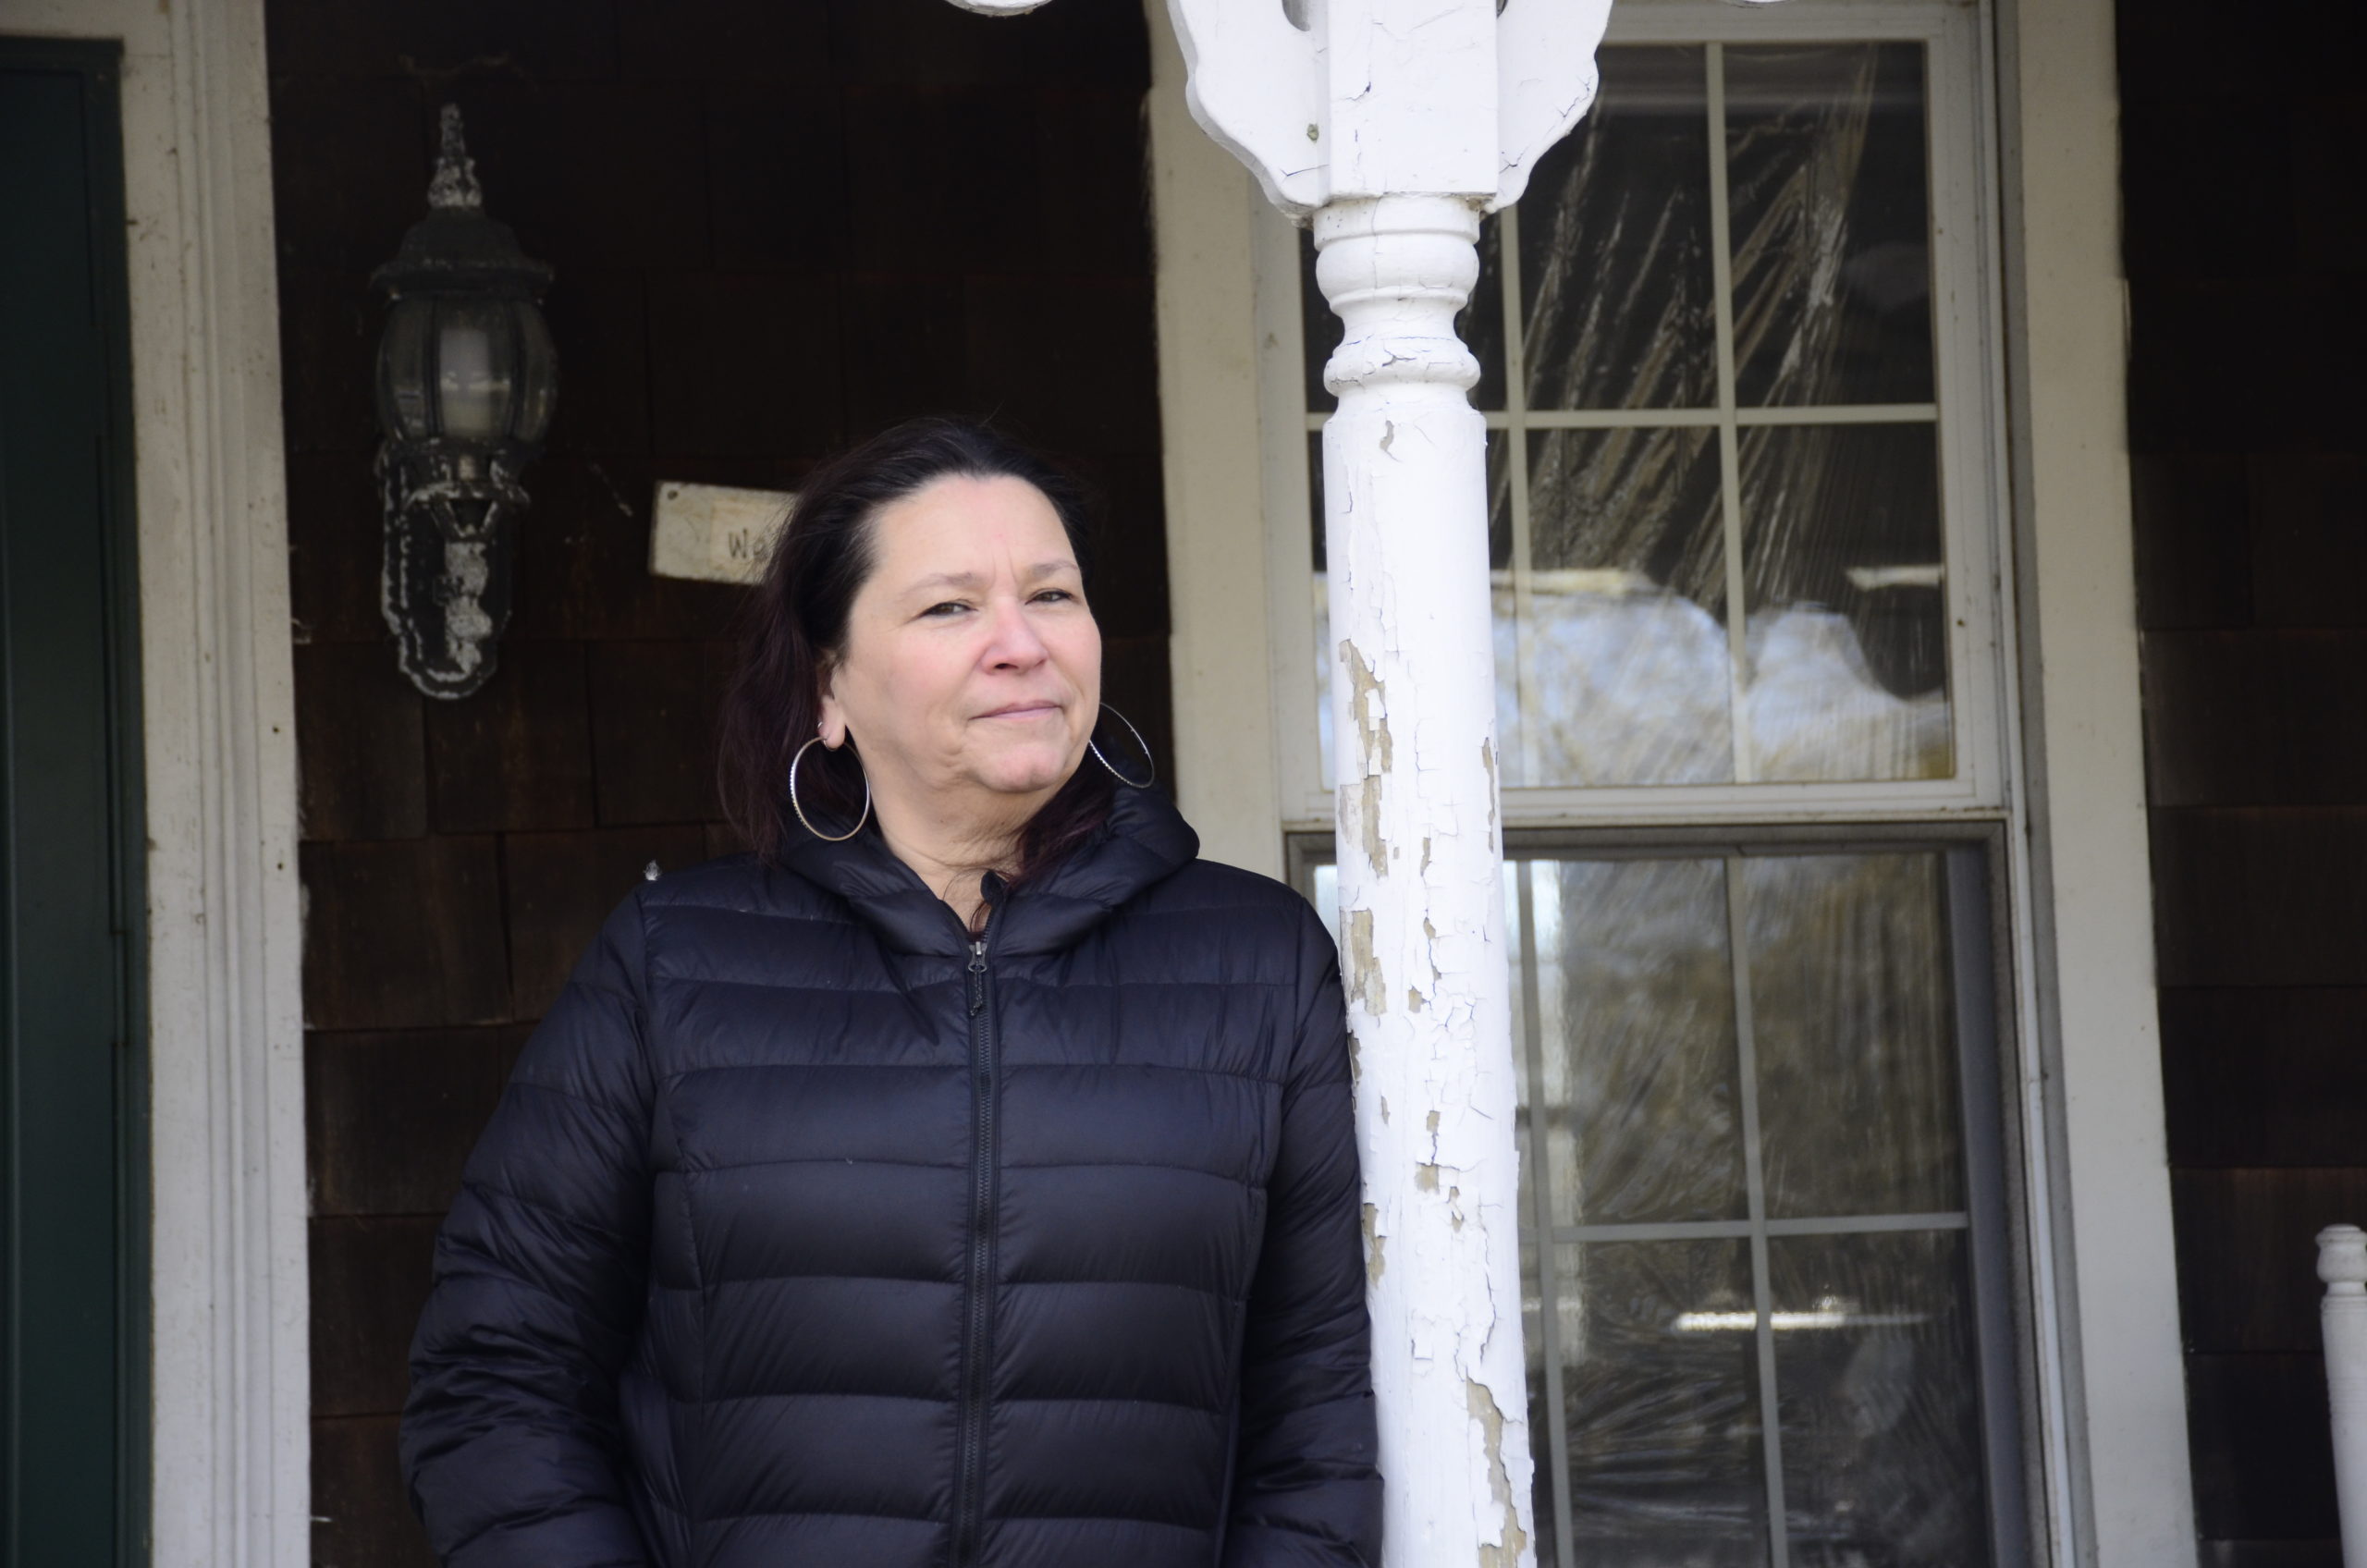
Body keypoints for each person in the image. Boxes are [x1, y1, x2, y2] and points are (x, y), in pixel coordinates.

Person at [399, 417, 1382, 1568]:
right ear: (828, 686)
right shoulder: (675, 964)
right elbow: (494, 1382)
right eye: (949, 607)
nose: (1020, 644)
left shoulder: (1255, 962)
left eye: (1052, 596)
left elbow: (1318, 1422)